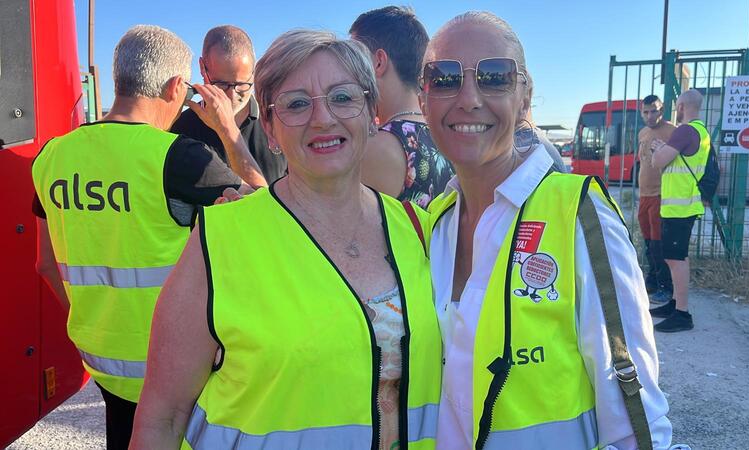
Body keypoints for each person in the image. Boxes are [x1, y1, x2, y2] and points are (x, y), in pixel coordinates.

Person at [130, 30, 441, 450]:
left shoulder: (419, 229)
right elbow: (162, 417)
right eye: (296, 104)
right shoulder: (221, 238)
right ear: (271, 129)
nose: (323, 118)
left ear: (372, 113)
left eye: (343, 97)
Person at [419, 12, 671, 449]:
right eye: (444, 78)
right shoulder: (432, 225)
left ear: (524, 97)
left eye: (495, 77)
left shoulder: (579, 214)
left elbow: (635, 412)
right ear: (423, 99)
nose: (469, 98)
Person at [31, 25, 264, 450]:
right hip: (175, 372)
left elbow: (45, 264)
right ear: (176, 86)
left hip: (102, 362)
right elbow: (272, 217)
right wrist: (229, 131)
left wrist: (101, 328)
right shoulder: (175, 156)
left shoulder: (52, 156)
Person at [350, 6, 454, 207]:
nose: (349, 72)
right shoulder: (446, 136)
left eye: (355, 60)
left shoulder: (378, 148)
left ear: (378, 62)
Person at [171, 25, 287, 183]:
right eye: (221, 84)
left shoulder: (280, 121)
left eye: (242, 85)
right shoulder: (179, 129)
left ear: (254, 72)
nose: (232, 96)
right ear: (202, 68)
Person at [650, 89, 710, 333]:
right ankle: (675, 303)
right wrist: (665, 149)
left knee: (675, 259)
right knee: (677, 257)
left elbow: (658, 161)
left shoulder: (685, 131)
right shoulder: (701, 132)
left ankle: (682, 314)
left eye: (677, 106)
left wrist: (658, 149)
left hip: (680, 207)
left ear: (682, 106)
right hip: (683, 205)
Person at [637, 94, 676, 304]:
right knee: (648, 241)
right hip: (644, 195)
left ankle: (665, 286)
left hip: (662, 194)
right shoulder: (643, 133)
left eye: (654, 111)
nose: (650, 116)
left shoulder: (672, 131)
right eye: (646, 112)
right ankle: (652, 279)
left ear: (662, 110)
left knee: (659, 242)